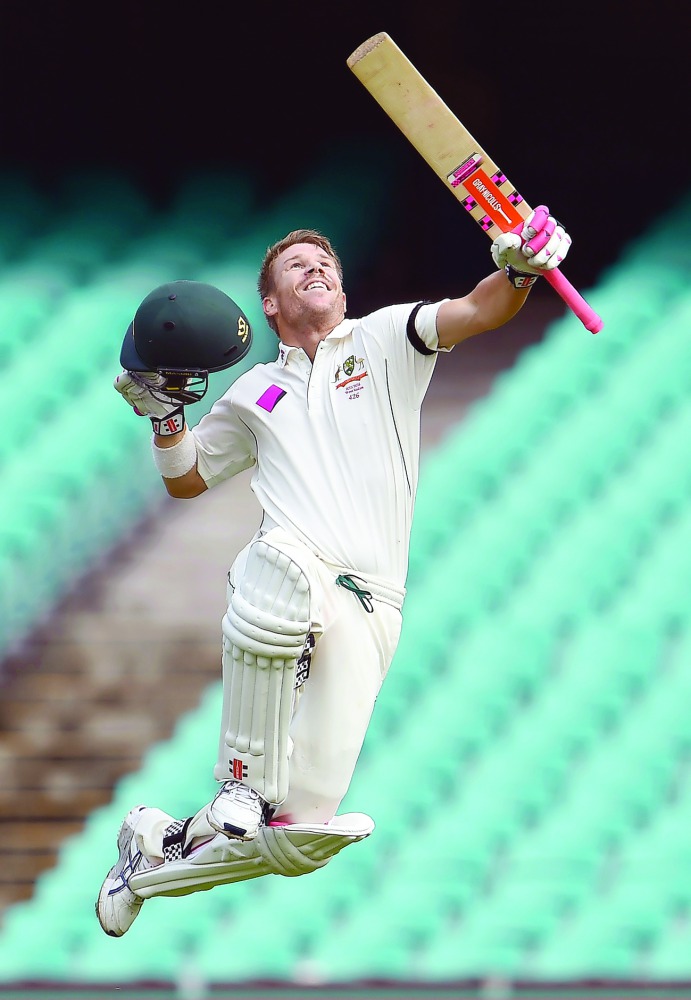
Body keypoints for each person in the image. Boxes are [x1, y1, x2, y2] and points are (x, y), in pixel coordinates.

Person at [97, 205, 572, 936]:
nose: (315, 268)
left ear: (343, 292)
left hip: (375, 600)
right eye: (297, 265)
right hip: (293, 565)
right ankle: (239, 784)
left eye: (326, 264)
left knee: (300, 831)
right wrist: (165, 419)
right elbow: (188, 477)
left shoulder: (386, 338)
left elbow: (481, 309)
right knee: (281, 570)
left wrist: (519, 271)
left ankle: (152, 855)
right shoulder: (253, 392)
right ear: (269, 303)